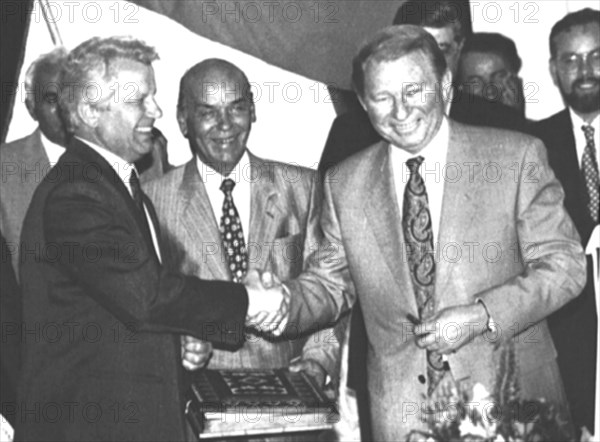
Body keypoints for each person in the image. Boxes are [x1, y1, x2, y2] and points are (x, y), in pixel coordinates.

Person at [253, 25, 587, 440]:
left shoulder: (516, 156)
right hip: (402, 417)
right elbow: (329, 285)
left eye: (413, 91)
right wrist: (282, 300)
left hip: (513, 401)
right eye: (382, 97)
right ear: (363, 102)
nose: (400, 111)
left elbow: (566, 266)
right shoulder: (344, 183)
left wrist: (484, 316)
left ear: (444, 85)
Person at [15, 36, 284, 442]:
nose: (155, 111)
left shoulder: (114, 185)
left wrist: (177, 342)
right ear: (89, 111)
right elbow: (147, 296)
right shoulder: (76, 194)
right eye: (139, 100)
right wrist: (249, 300)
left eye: (153, 97)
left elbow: (116, 307)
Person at [143, 59, 342, 441]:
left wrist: (318, 362)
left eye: (236, 108)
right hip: (200, 418)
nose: (225, 125)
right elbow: (148, 307)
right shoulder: (153, 202)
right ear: (183, 120)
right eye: (207, 112)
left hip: (298, 417)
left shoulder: (305, 187)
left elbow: (333, 292)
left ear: (253, 110)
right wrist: (179, 345)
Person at [319, 0, 527, 174]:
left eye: (442, 50)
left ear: (459, 49)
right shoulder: (350, 132)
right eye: (417, 54)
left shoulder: (501, 123)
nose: (431, 66)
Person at [531, 8, 599, 436]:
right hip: (567, 343)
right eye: (571, 60)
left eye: (597, 55)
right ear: (554, 70)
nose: (586, 70)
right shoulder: (531, 145)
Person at [0, 48, 68, 276]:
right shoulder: (4, 169)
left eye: (71, 96)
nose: (64, 110)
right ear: (31, 108)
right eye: (51, 99)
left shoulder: (119, 160)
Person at [457, 32, 527, 118]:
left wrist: (515, 117)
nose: (489, 91)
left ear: (515, 80)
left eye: (499, 77)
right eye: (475, 82)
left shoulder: (539, 130)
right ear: (460, 88)